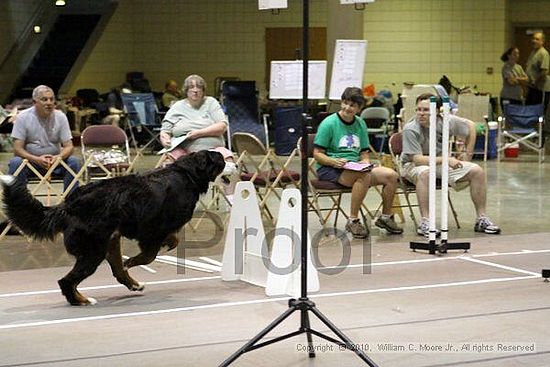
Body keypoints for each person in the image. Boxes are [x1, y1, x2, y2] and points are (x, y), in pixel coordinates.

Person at [400, 93, 501, 237]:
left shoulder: (445, 121)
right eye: (419, 109)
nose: (421, 114)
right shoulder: (411, 128)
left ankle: (481, 219)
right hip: (413, 165)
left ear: (437, 111)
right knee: (425, 172)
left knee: (477, 171)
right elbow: (417, 159)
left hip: (440, 163)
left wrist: (467, 153)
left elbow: (471, 126)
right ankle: (425, 222)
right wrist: (446, 160)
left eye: (426, 110)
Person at [313, 87, 403, 238]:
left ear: (359, 108)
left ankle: (386, 217)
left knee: (391, 175)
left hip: (354, 167)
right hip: (330, 168)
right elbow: (317, 155)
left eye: (352, 105)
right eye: (345, 103)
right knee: (364, 176)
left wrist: (365, 162)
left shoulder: (360, 123)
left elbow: (364, 152)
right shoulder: (329, 124)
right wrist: (334, 161)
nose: (348, 108)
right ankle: (353, 220)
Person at [159, 74, 235, 198]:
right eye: (191, 87)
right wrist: (165, 139)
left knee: (229, 161)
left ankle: (231, 200)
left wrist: (198, 133)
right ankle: (169, 200)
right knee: (167, 163)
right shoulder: (177, 106)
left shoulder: (211, 102)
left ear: (203, 90)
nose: (195, 90)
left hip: (212, 151)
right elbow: (165, 130)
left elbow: (222, 126)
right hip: (185, 151)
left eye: (199, 87)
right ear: (186, 90)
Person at [7, 85, 81, 195]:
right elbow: (17, 149)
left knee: (74, 161)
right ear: (34, 102)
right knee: (15, 162)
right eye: (44, 99)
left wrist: (58, 158)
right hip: (31, 163)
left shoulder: (60, 117)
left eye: (52, 99)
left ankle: (71, 202)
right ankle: (20, 203)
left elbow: (69, 146)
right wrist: (36, 159)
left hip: (56, 163)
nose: (49, 103)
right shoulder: (22, 117)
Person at [525, 31, 550, 111]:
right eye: (533, 39)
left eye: (537, 39)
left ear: (542, 41)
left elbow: (544, 72)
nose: (534, 41)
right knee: (529, 111)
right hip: (532, 88)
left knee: (538, 113)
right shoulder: (533, 52)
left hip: (540, 89)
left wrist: (535, 81)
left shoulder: (543, 53)